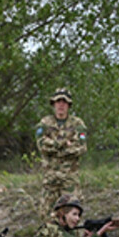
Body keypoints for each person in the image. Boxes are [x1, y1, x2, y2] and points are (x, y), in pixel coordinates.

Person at [36, 88, 87, 218]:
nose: (61, 105)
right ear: (53, 104)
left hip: (69, 178)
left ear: (69, 105)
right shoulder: (45, 123)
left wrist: (53, 145)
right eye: (58, 101)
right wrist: (64, 144)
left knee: (73, 215)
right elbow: (41, 145)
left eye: (64, 102)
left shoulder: (77, 124)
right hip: (51, 178)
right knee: (47, 216)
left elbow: (81, 148)